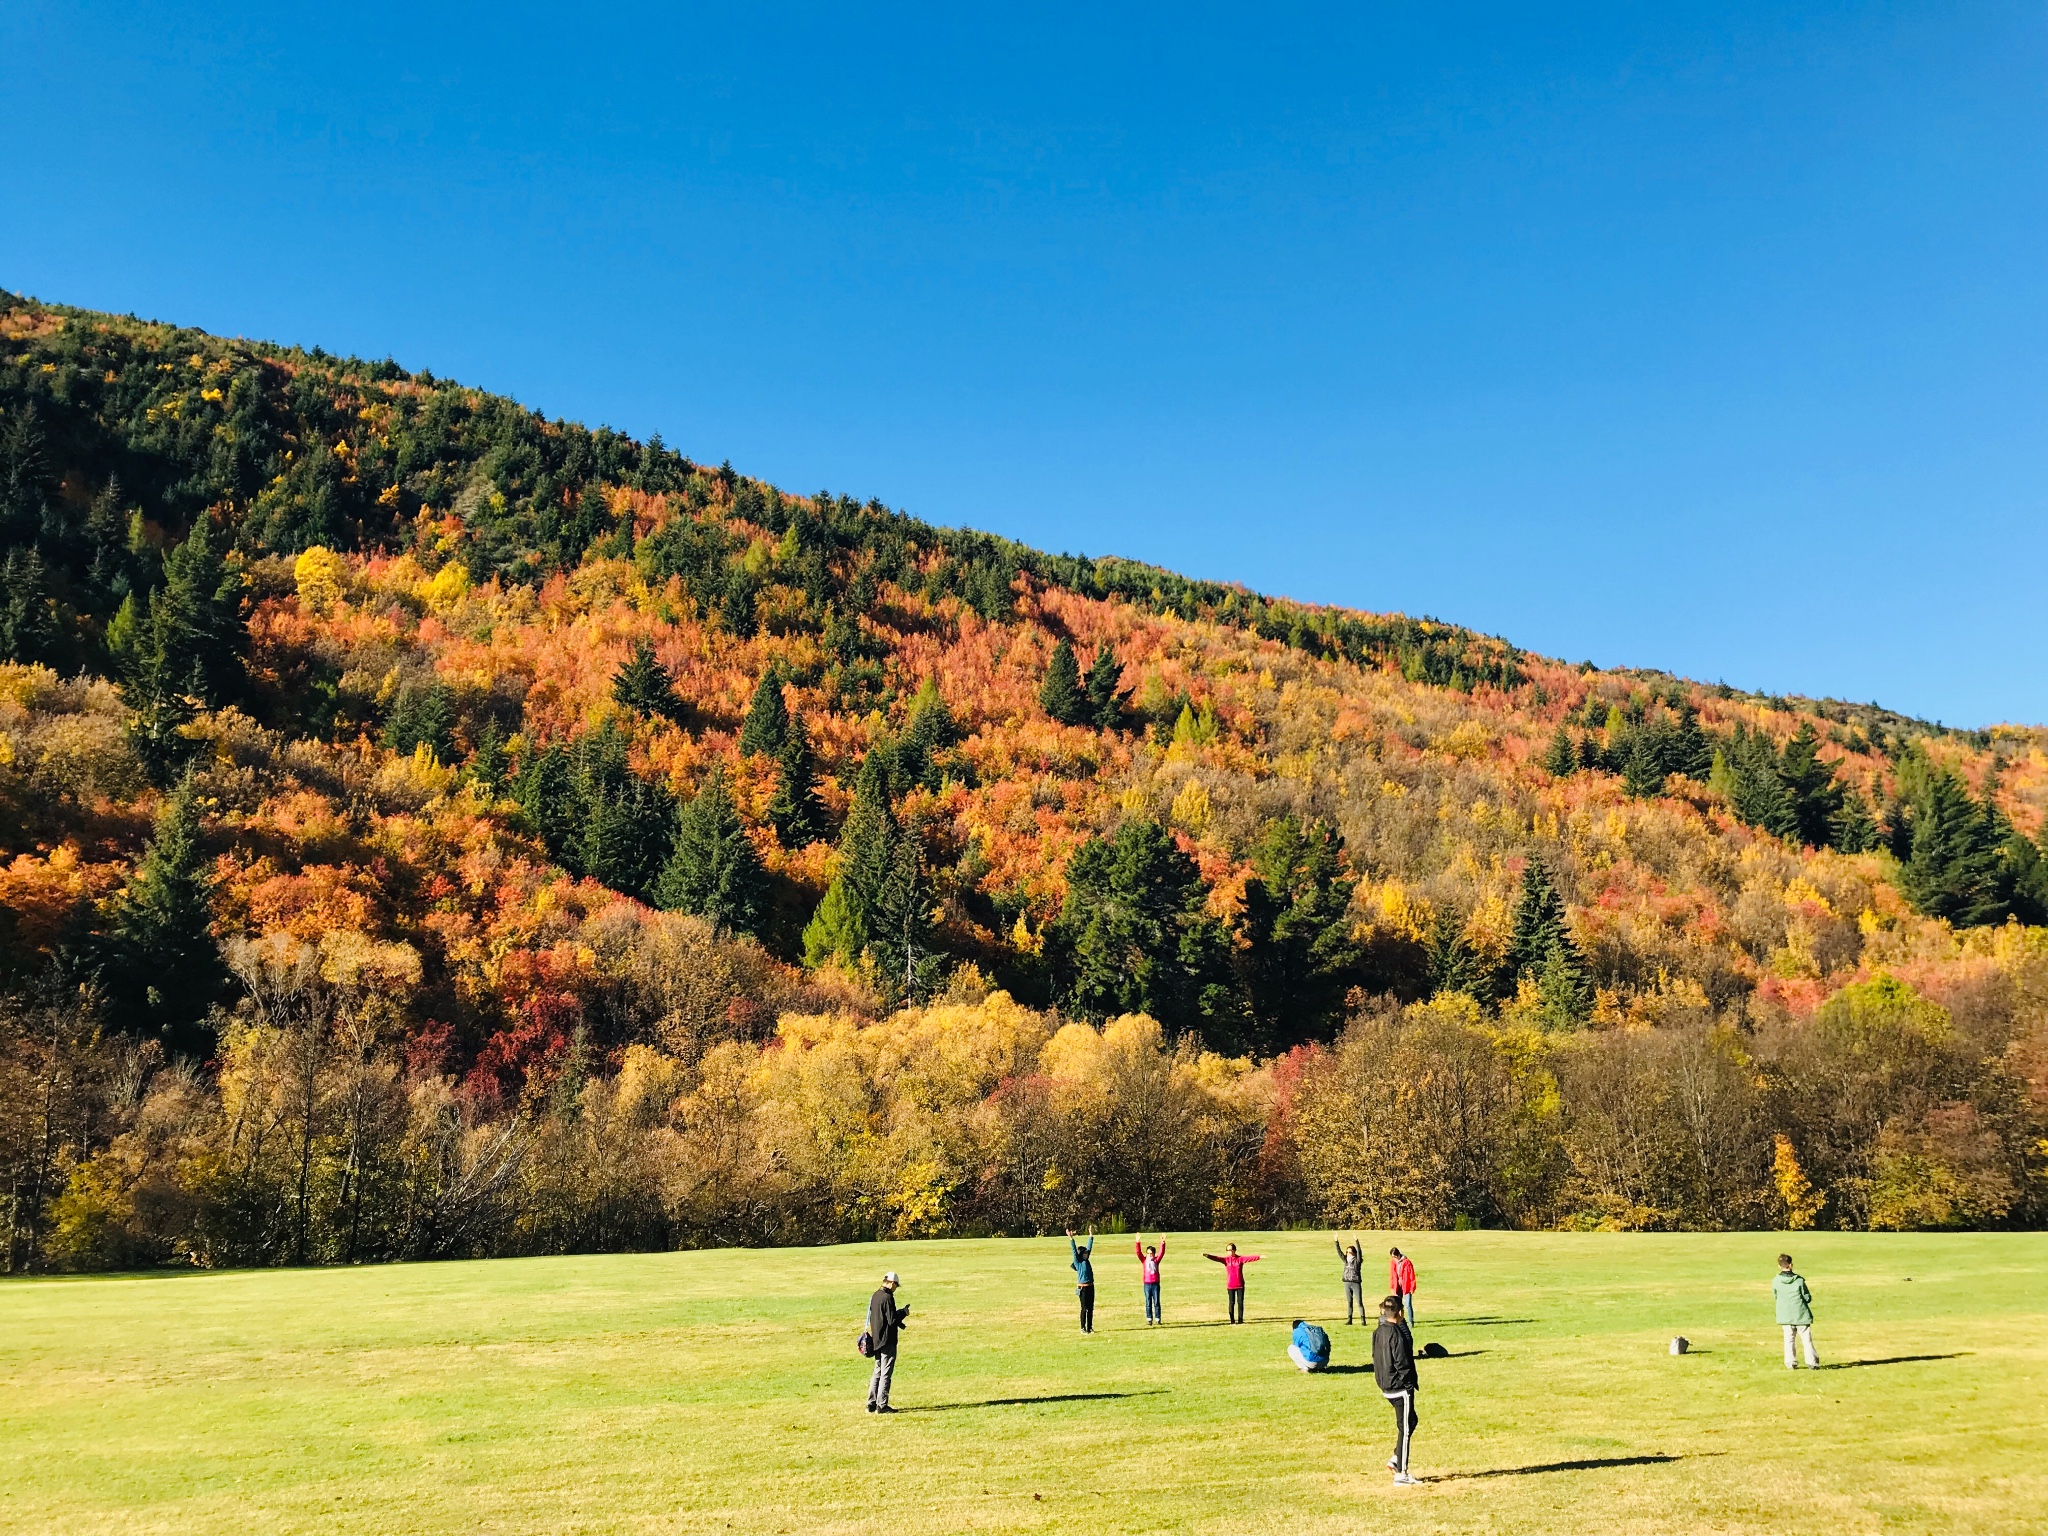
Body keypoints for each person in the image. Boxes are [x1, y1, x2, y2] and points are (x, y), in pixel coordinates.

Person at [1372, 1295, 1420, 1484]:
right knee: (1405, 1429)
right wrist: (1409, 1384)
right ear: (1400, 1313)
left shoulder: (1378, 1332)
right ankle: (1402, 1473)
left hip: (1385, 1385)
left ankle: (1396, 1458)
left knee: (1411, 1420)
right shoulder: (1396, 1334)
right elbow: (1402, 1362)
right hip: (1399, 1388)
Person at [865, 1271, 909, 1413]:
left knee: (877, 1372)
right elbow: (891, 1320)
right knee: (885, 1373)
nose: (896, 1288)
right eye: (896, 1285)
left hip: (876, 1339)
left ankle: (871, 1404)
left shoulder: (875, 1295)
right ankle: (882, 1405)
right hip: (887, 1341)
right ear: (891, 1283)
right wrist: (903, 1313)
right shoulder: (887, 1297)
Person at [1774, 1252, 1820, 1369]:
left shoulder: (1776, 1281)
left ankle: (1790, 1362)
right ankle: (1812, 1362)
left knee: (1789, 1339)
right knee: (1806, 1339)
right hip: (1801, 1314)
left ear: (1779, 1266)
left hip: (1785, 1315)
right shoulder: (1799, 1281)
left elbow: (1775, 1295)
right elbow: (1807, 1297)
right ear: (1791, 1265)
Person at [1202, 1242, 1261, 1323]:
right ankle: (1232, 1320)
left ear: (1234, 1250)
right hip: (1230, 1285)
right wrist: (1208, 1256)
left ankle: (1240, 1320)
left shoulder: (1240, 1259)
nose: (1229, 1252)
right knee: (1231, 1303)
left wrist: (1259, 1257)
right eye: (1227, 1250)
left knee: (1240, 1303)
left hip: (1240, 1284)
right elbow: (1217, 1258)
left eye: (1230, 1250)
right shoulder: (1226, 1260)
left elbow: (1249, 1258)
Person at [1066, 1227, 1096, 1333]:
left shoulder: (1087, 1261)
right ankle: (1083, 1328)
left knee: (1091, 1308)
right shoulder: (1078, 1262)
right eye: (1085, 1253)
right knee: (1084, 1308)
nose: (1087, 1254)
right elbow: (1074, 1251)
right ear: (1081, 1254)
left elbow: (1089, 1247)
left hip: (1091, 1286)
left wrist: (1091, 1235)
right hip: (1082, 1288)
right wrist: (1071, 1238)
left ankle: (1090, 1327)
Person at [1134, 1235, 1167, 1325]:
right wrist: (1137, 1242)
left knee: (1156, 1302)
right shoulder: (1144, 1260)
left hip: (1155, 1284)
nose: (1149, 1255)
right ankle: (1149, 1318)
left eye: (1151, 1253)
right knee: (1148, 1301)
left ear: (1153, 1254)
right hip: (1147, 1284)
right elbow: (1138, 1253)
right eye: (1148, 1253)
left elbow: (1162, 1253)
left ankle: (1158, 1318)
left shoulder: (1156, 1260)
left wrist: (1163, 1243)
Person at [1335, 1237, 1365, 1324]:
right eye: (1347, 1252)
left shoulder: (1357, 1261)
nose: (1348, 1253)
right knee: (1349, 1302)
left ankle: (1363, 1319)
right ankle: (1349, 1319)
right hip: (1347, 1282)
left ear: (1354, 1253)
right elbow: (1339, 1252)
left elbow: (1359, 1252)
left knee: (1359, 1302)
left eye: (1350, 1252)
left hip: (1356, 1282)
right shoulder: (1345, 1260)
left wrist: (1357, 1241)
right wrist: (1336, 1242)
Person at [1388, 1246, 1417, 1327]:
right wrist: (1392, 1287)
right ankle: (1399, 1321)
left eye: (1394, 1256)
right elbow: (1392, 1276)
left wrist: (1412, 1287)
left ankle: (1411, 1322)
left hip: (1406, 1285)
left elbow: (1412, 1275)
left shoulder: (1407, 1262)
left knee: (1408, 1304)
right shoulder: (1393, 1262)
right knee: (1398, 1304)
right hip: (1398, 1286)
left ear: (1398, 1255)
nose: (1393, 1258)